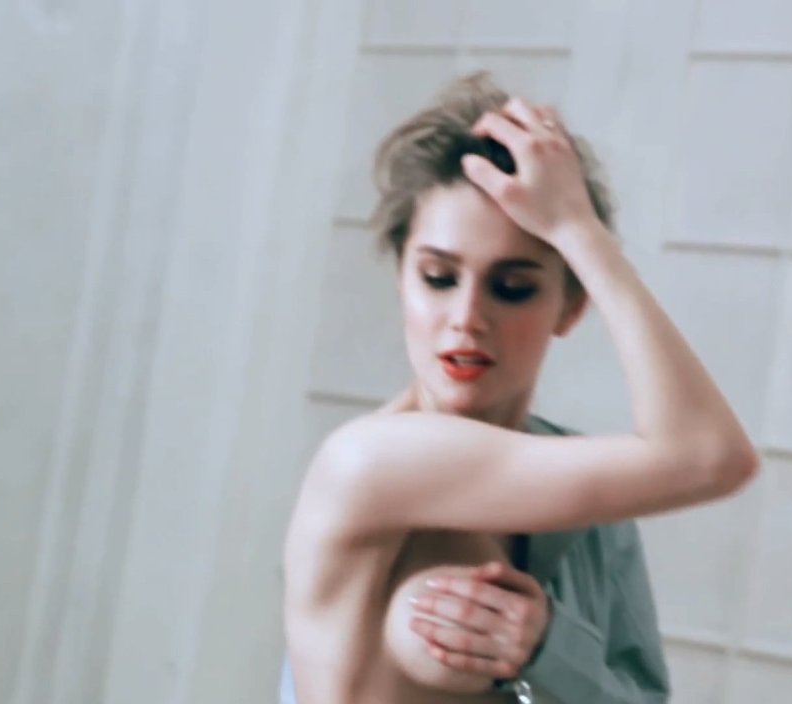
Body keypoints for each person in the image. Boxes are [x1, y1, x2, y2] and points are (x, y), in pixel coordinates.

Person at [281, 72, 758, 703]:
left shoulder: (592, 505)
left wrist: (549, 651)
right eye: (438, 277)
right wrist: (580, 232)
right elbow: (711, 457)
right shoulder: (368, 463)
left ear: (572, 305)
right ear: (402, 280)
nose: (467, 317)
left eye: (512, 288)